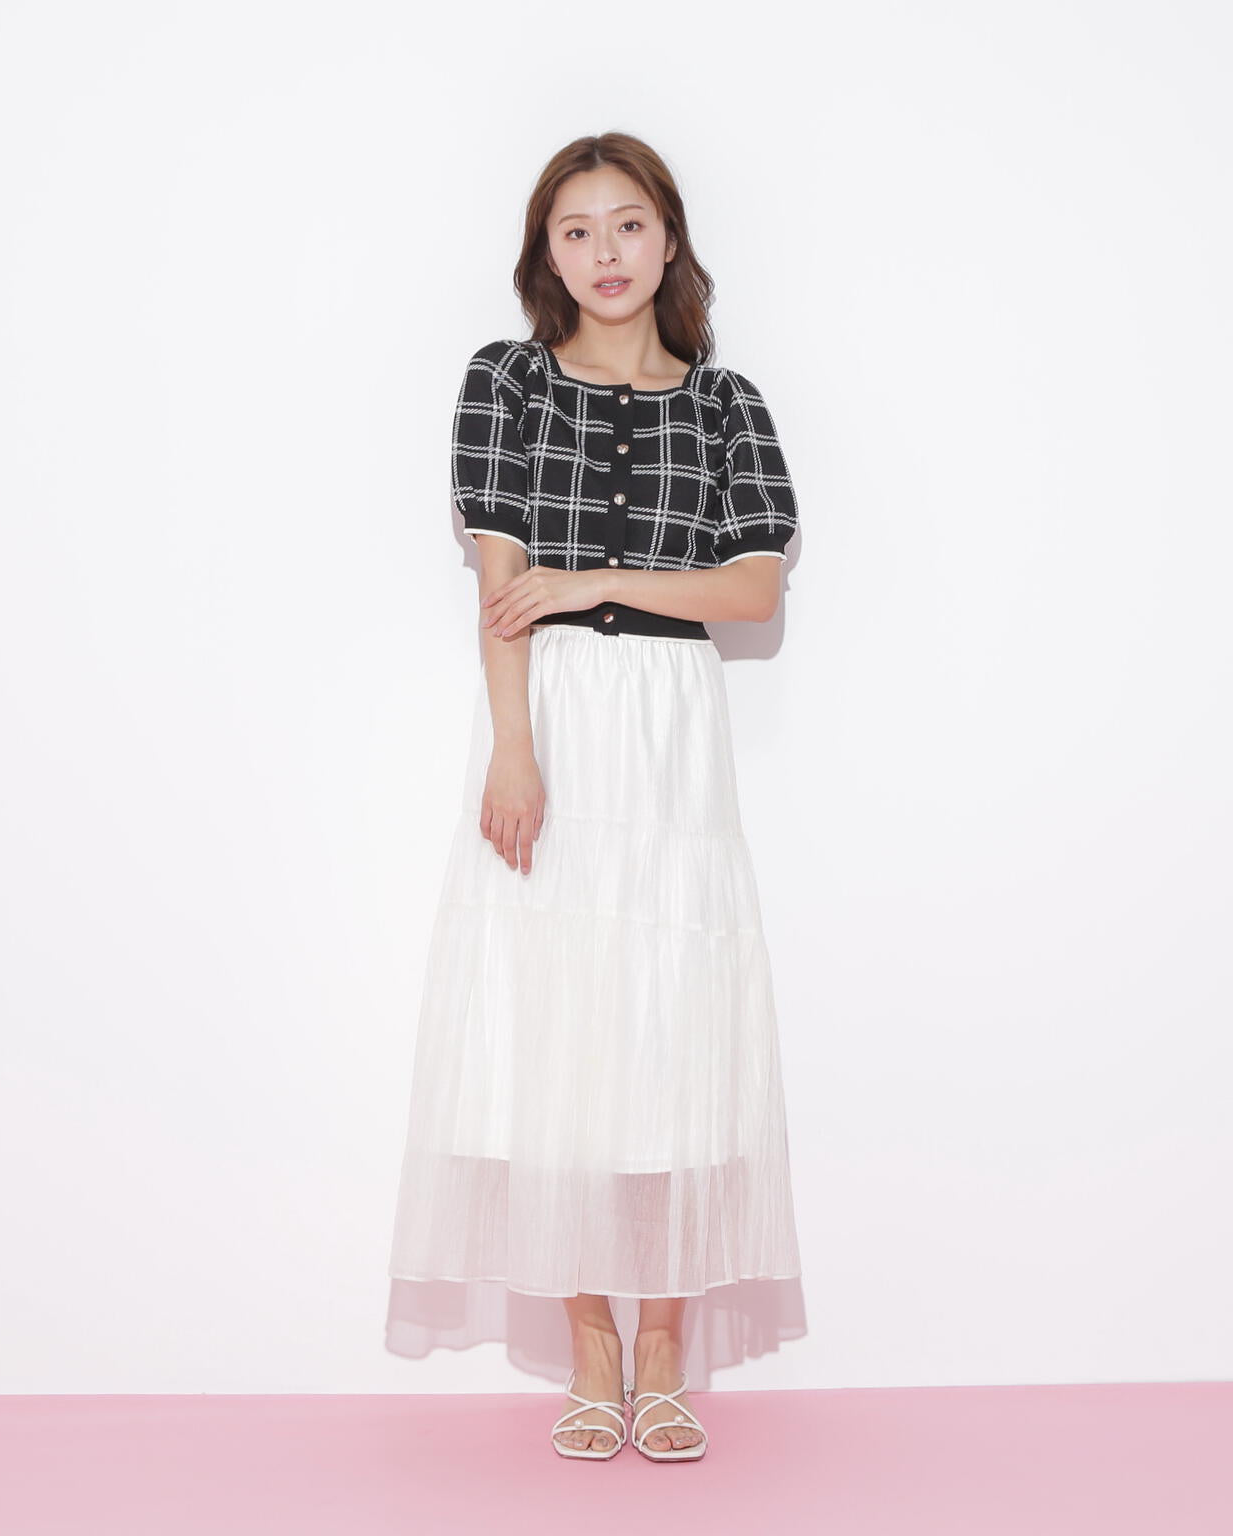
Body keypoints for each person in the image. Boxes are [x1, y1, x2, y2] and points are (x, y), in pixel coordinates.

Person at [387, 131, 803, 1463]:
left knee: (670, 1029)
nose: (606, 252)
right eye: (577, 229)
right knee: (556, 1023)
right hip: (554, 715)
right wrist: (514, 748)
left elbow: (755, 587)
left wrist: (600, 582)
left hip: (673, 728)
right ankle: (590, 1350)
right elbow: (501, 581)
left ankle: (667, 1346)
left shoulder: (726, 403)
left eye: (629, 224)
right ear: (545, 253)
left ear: (668, 240)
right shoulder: (506, 380)